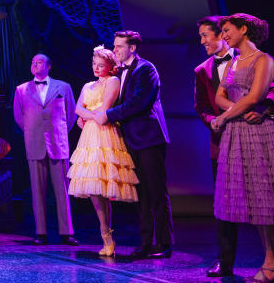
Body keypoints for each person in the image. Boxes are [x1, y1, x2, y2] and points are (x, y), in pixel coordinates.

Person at [194, 16, 274, 281]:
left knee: (269, 197)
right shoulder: (205, 69)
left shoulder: (261, 59)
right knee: (235, 200)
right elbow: (206, 103)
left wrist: (262, 109)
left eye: (210, 34)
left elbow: (270, 93)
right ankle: (226, 261)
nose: (204, 40)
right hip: (228, 136)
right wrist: (228, 116)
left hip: (257, 132)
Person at [94, 31, 173, 260]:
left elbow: (139, 102)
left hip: (148, 137)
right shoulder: (119, 71)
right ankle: (145, 242)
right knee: (141, 195)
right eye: (115, 46)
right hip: (130, 138)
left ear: (133, 48)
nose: (115, 50)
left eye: (120, 46)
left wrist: (107, 114)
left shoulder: (146, 69)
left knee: (156, 192)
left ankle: (164, 243)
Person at [67, 47, 138, 256]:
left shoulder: (112, 81)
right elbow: (77, 108)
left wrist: (87, 114)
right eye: (94, 64)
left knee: (105, 186)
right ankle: (104, 234)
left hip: (105, 134)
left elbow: (104, 110)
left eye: (101, 65)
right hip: (89, 136)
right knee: (93, 186)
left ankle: (110, 237)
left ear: (109, 66)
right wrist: (88, 114)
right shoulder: (88, 85)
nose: (96, 68)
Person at [13, 54, 79, 246]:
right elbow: (19, 116)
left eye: (39, 62)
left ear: (49, 66)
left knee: (62, 190)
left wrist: (58, 132)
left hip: (57, 142)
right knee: (37, 190)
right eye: (32, 62)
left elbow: (71, 114)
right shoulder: (21, 89)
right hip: (34, 142)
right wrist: (32, 131)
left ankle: (67, 232)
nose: (35, 65)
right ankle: (40, 232)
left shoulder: (63, 87)